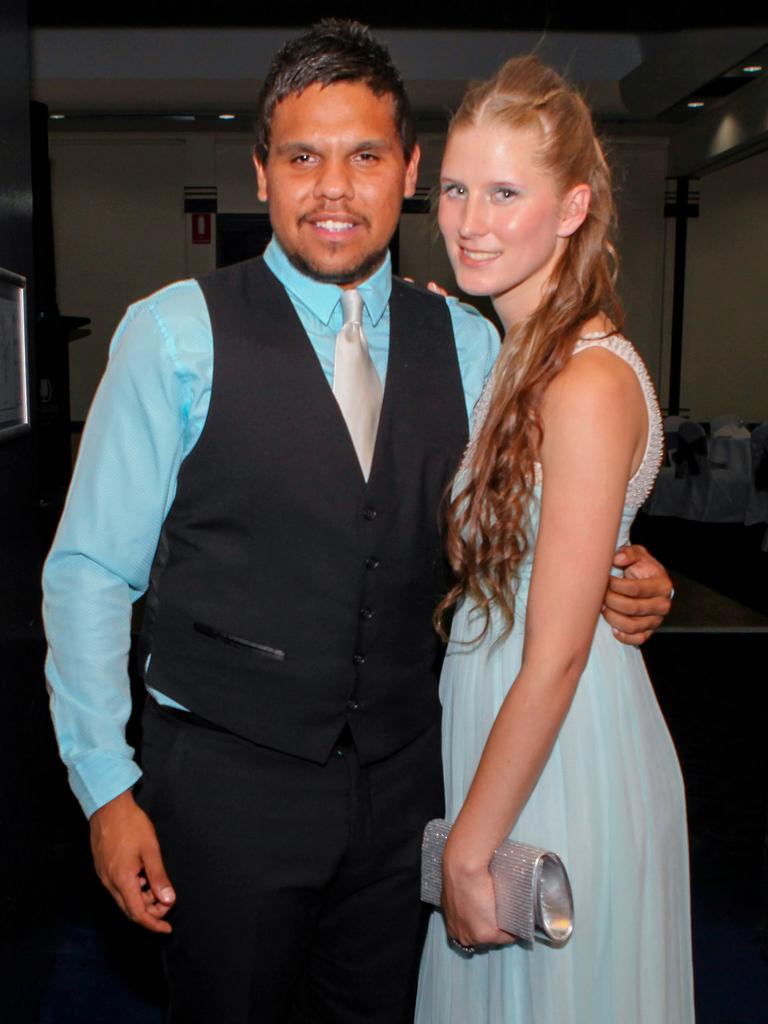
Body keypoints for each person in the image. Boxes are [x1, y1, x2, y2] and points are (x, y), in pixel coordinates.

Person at [42, 22, 674, 1024]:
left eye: (365, 156)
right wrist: (106, 788)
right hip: (225, 786)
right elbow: (86, 572)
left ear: (408, 171)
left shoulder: (471, 345)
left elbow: (519, 518)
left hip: (408, 785)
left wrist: (623, 569)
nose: (332, 188)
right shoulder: (171, 334)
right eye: (302, 156)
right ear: (261, 172)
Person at [415, 56, 695, 1023]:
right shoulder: (513, 353)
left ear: (573, 208)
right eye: (455, 187)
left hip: (562, 751)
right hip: (504, 733)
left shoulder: (583, 380)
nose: (470, 220)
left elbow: (562, 651)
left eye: (504, 192)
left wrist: (465, 848)